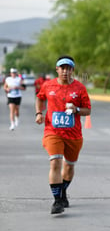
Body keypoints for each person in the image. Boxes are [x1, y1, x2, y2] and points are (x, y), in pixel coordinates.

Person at [35, 55, 91, 214]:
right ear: (57, 69)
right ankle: (57, 201)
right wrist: (39, 113)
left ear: (72, 70)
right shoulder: (48, 85)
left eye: (68, 68)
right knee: (55, 163)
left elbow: (88, 110)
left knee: (69, 166)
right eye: (62, 68)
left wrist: (77, 109)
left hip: (73, 134)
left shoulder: (79, 88)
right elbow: (39, 99)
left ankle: (63, 191)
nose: (65, 71)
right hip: (53, 131)